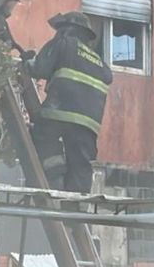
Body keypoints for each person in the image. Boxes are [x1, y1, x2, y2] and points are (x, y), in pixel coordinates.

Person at [29, 11, 113, 193]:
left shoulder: (63, 43)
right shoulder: (99, 63)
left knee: (42, 136)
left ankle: (56, 179)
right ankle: (76, 207)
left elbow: (39, 68)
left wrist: (27, 62)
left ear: (67, 30)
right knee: (81, 164)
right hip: (88, 125)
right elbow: (108, 77)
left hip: (59, 111)